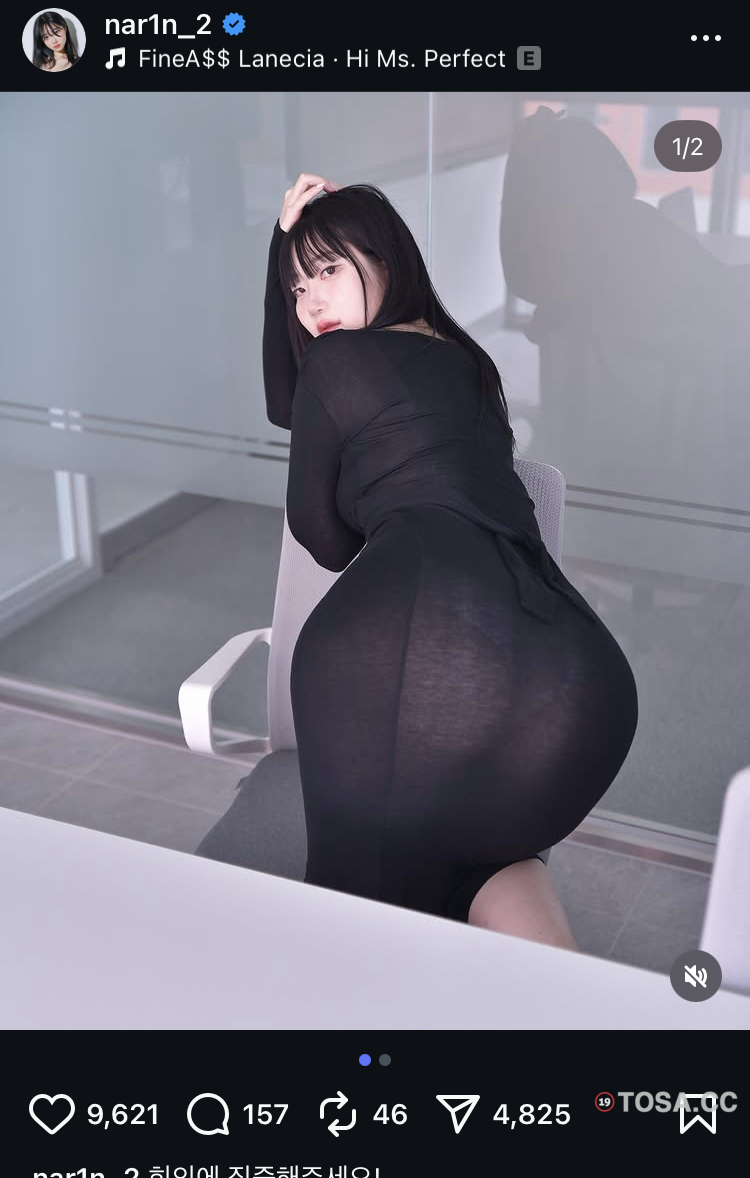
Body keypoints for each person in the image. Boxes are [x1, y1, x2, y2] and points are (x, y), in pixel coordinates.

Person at [262, 173, 639, 951]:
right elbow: (296, 404)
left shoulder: (337, 366)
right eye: (295, 287)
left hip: (405, 648)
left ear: (385, 258)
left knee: (361, 912)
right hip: (575, 676)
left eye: (326, 269)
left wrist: (276, 244)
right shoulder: (471, 363)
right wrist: (288, 254)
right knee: (474, 866)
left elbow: (324, 539)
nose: (309, 300)